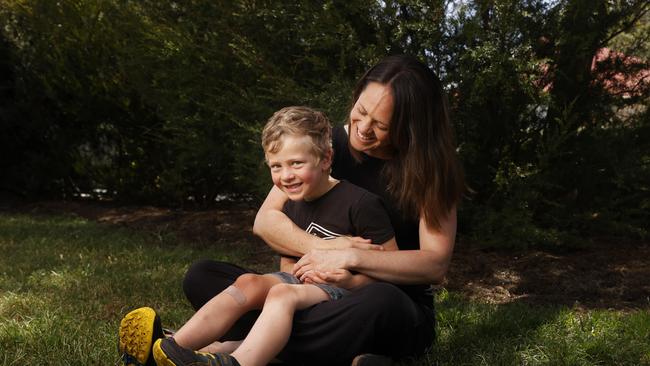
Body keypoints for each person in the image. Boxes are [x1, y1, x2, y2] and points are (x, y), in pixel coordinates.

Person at [181, 54, 465, 366]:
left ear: (412, 128)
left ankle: (254, 346)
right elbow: (266, 221)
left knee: (382, 302)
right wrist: (328, 249)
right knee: (203, 276)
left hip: (384, 303)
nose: (363, 129)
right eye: (361, 111)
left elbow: (434, 264)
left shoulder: (432, 170)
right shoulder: (326, 146)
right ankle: (308, 348)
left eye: (381, 125)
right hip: (308, 295)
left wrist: (353, 257)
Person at [118, 106, 398, 366]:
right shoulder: (291, 202)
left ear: (326, 159)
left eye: (296, 163)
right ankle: (171, 349)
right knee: (250, 283)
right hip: (301, 288)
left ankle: (240, 361)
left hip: (344, 297)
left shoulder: (361, 204)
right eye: (276, 166)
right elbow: (288, 265)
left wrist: (351, 279)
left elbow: (388, 272)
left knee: (281, 295)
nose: (286, 176)